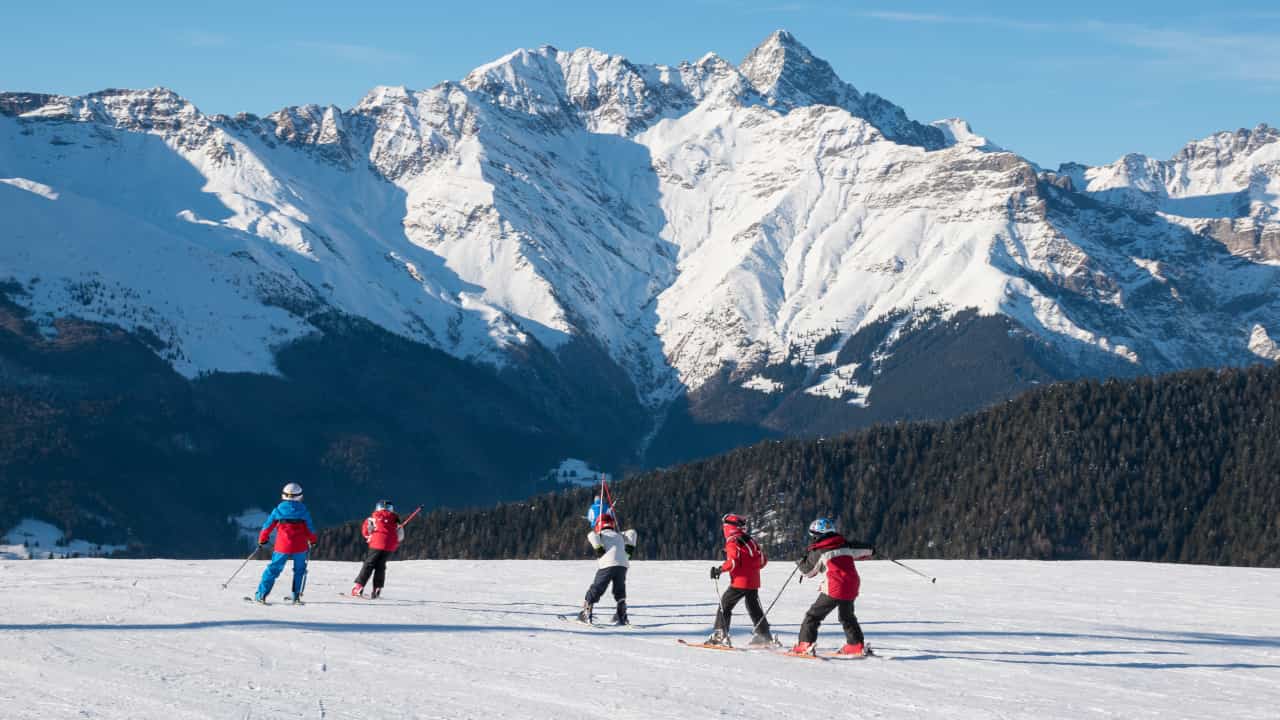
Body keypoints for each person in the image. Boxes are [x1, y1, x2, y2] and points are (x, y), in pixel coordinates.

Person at [790, 517, 875, 656]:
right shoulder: (845, 544)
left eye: (813, 535)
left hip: (835, 587)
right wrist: (872, 550)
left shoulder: (819, 551)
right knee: (847, 616)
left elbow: (809, 572)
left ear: (817, 535)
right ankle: (855, 645)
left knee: (813, 616)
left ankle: (805, 644)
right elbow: (867, 550)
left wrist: (800, 562)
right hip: (852, 585)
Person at [705, 513, 777, 647]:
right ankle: (764, 635)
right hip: (754, 581)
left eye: (724, 526)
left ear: (729, 527)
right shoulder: (750, 540)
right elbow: (763, 561)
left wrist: (719, 569)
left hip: (739, 582)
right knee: (753, 607)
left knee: (724, 606)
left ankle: (720, 635)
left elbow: (732, 562)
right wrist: (749, 567)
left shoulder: (732, 541)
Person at [253, 483, 319, 604]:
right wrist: (313, 540)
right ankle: (296, 596)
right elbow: (310, 529)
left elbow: (267, 526)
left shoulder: (278, 510)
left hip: (282, 546)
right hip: (300, 547)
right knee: (299, 570)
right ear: (299, 496)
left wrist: (262, 539)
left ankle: (261, 595)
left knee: (273, 570)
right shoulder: (303, 511)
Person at [576, 513, 636, 625]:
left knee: (597, 588)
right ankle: (621, 615)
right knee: (619, 589)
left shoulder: (601, 534)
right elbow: (632, 532)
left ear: (599, 524)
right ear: (612, 524)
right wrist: (629, 551)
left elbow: (591, 535)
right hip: (623, 565)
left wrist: (599, 549)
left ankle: (586, 613)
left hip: (607, 564)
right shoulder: (620, 535)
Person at [351, 500, 404, 599]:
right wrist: (394, 542)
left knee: (369, 564)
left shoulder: (373, 518)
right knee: (381, 566)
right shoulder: (396, 520)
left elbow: (366, 530)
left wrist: (369, 537)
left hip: (376, 544)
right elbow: (400, 536)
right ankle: (377, 589)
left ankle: (358, 587)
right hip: (390, 546)